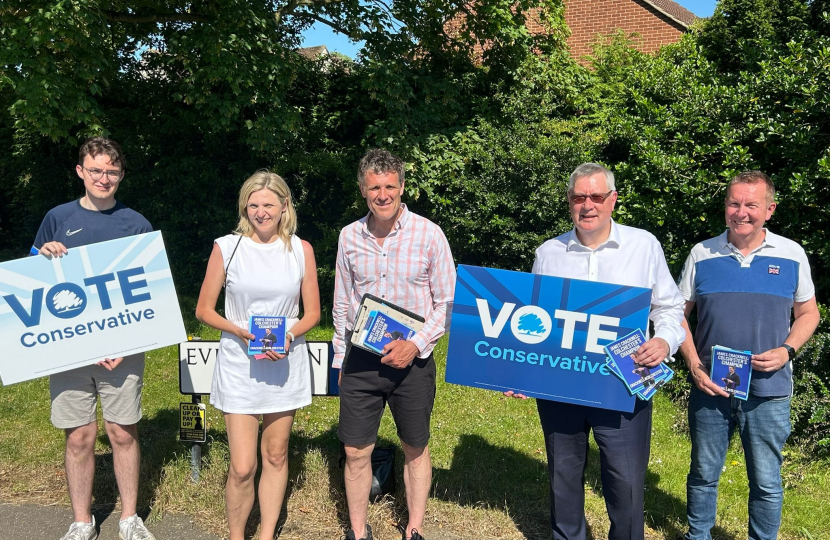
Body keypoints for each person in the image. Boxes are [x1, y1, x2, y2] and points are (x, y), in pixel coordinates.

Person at [507, 162, 686, 540]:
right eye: (578, 197)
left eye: (596, 196)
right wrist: (519, 373)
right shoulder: (548, 253)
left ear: (613, 200)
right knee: (563, 477)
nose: (587, 205)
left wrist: (665, 341)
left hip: (622, 385)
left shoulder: (643, 245)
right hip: (560, 385)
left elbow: (670, 308)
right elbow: (531, 322)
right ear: (569, 201)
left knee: (626, 482)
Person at [677, 170, 819, 540]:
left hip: (769, 389)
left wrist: (788, 350)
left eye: (751, 205)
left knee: (767, 481)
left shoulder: (791, 254)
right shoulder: (701, 253)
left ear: (769, 210)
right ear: (725, 207)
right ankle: (698, 536)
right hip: (711, 386)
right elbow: (676, 314)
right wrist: (693, 364)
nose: (741, 212)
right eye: (734, 203)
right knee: (704, 474)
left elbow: (809, 313)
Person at [33, 137, 156, 540]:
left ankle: (129, 518)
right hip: (68, 347)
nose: (105, 178)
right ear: (80, 172)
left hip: (122, 352)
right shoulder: (57, 217)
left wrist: (127, 344)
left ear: (121, 175)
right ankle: (81, 520)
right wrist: (43, 255)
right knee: (80, 435)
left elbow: (145, 290)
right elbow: (34, 282)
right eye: (97, 170)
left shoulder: (135, 223)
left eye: (113, 171)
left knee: (122, 432)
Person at [332, 149, 455, 540]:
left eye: (389, 186)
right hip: (361, 361)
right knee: (355, 450)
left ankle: (413, 529)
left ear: (402, 187)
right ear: (363, 190)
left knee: (415, 446)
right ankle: (357, 530)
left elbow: (448, 303)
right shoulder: (349, 237)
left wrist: (416, 344)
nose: (382, 194)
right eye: (374, 187)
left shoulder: (429, 234)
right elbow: (342, 300)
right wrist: (340, 355)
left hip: (413, 364)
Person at [195, 171, 320, 540]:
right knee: (243, 465)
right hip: (239, 365)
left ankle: (266, 534)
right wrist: (238, 330)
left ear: (284, 206)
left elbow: (312, 312)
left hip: (284, 363)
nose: (261, 212)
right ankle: (237, 535)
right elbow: (204, 309)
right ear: (244, 207)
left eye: (269, 204)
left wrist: (288, 337)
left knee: (277, 454)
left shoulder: (301, 249)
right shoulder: (226, 247)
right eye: (254, 205)